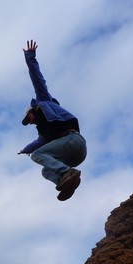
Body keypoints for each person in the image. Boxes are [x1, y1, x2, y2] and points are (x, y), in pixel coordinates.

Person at [18, 40, 87, 201]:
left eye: (28, 119)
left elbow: (38, 80)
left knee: (37, 155)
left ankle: (66, 172)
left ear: (31, 111)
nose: (30, 123)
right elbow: (37, 143)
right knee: (46, 171)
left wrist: (30, 57)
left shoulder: (43, 102)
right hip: (75, 155)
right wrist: (24, 150)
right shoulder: (44, 132)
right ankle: (67, 182)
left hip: (73, 141)